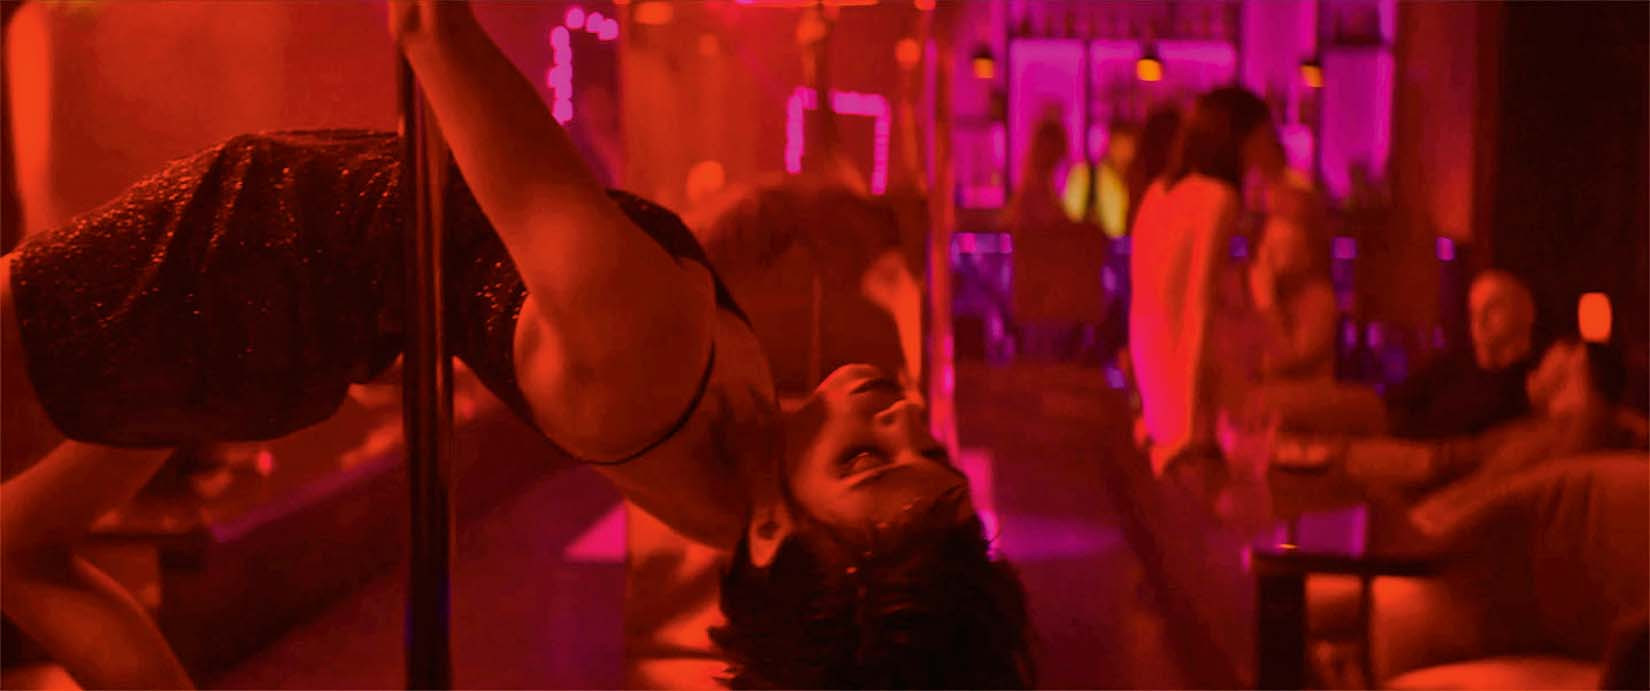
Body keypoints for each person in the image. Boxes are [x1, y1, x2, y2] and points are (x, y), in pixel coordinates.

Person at [0, 3, 1032, 688]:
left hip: (230, 259)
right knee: (19, 549)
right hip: (267, 332)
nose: (901, 412)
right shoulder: (725, 464)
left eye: (867, 460)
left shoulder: (657, 361)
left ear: (773, 533)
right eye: (925, 448)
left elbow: (428, 29)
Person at [1273, 338, 1637, 535]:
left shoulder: (1578, 430)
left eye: (1555, 352)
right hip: (1431, 503)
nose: (1542, 358)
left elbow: (1487, 492)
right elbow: (1458, 459)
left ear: (1577, 360)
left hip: (1445, 539)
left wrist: (1427, 520)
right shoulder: (1539, 427)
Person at [1128, 87, 1284, 491]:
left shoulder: (1157, 194)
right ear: (1242, 138)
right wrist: (1186, 429)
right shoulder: (1219, 199)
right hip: (1186, 401)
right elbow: (1198, 309)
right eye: (1265, 136)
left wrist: (1153, 409)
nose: (1272, 148)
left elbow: (1142, 307)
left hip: (1155, 383)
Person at [1385, 270, 1539, 439]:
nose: (1480, 320)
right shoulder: (1451, 365)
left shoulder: (1530, 381)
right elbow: (1394, 400)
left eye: (1493, 308)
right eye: (1474, 312)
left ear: (1526, 312)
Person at [1005, 117, 1106, 361]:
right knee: (1044, 354)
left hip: (1040, 292)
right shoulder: (1035, 189)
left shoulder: (1039, 186)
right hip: (1043, 292)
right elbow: (1051, 229)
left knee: (1043, 351)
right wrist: (1086, 229)